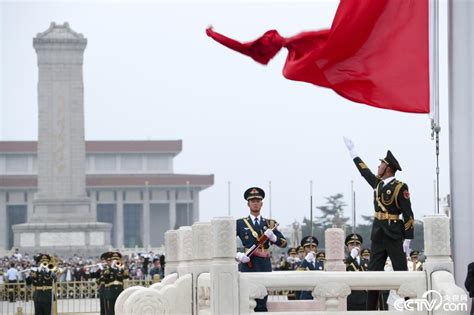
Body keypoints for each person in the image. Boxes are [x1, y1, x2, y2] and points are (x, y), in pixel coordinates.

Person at [344, 137, 414, 310]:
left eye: (381, 164)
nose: (378, 166)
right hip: (378, 233)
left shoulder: (400, 187)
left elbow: (408, 214)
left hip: (394, 233)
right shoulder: (378, 184)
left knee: (401, 272)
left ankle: (410, 306)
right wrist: (354, 153)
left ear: (388, 168)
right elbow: (364, 172)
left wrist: (408, 239)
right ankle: (371, 310)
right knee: (373, 274)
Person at [235, 187, 287, 312]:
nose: (255, 203)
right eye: (252, 200)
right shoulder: (240, 223)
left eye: (258, 200)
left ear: (262, 203)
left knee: (262, 298)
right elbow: (226, 244)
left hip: (264, 263)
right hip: (248, 262)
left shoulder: (270, 223)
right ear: (248, 204)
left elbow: (284, 243)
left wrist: (273, 237)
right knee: (247, 297)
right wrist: (237, 255)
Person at [344, 233, 368, 310]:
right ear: (347, 248)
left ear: (360, 247)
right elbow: (340, 271)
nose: (355, 247)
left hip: (365, 297)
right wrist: (351, 257)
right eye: (351, 245)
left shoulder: (367, 262)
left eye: (357, 244)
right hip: (350, 297)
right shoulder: (343, 262)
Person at [297, 235, 323, 300]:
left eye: (313, 246)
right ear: (304, 248)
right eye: (308, 247)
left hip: (320, 295)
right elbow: (298, 273)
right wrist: (307, 259)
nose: (311, 249)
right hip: (306, 295)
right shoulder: (299, 262)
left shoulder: (322, 262)